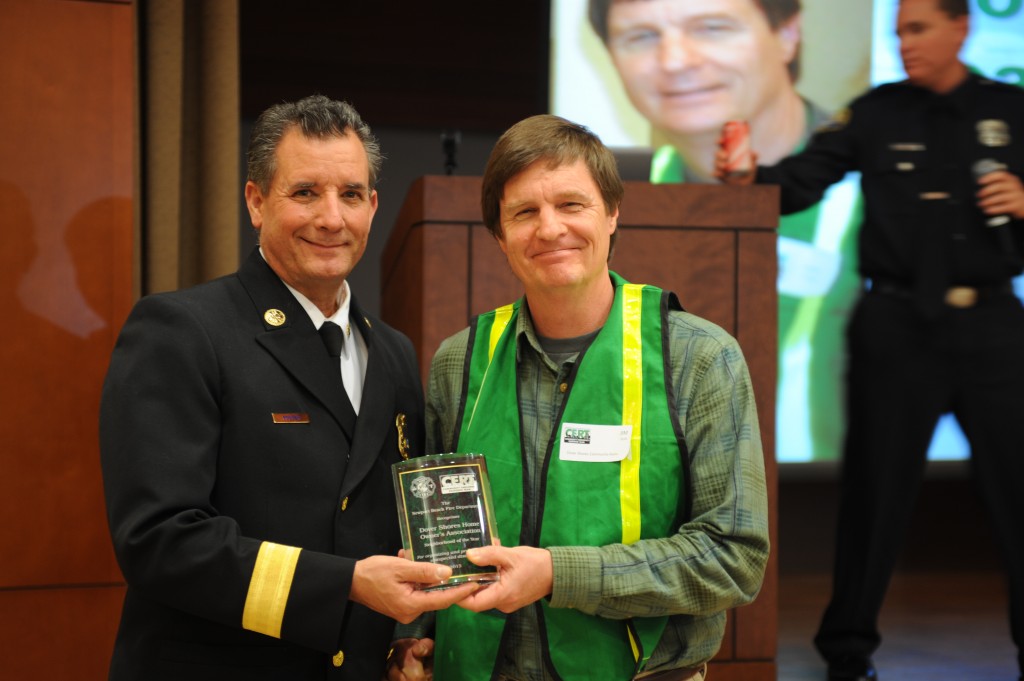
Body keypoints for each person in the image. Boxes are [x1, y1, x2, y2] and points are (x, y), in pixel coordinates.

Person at [99, 95, 478, 681]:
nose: (332, 218)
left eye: (350, 195)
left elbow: (390, 528)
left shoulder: (396, 354)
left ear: (373, 207)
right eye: (305, 193)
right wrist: (347, 586)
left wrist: (403, 638)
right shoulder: (183, 330)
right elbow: (159, 542)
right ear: (256, 201)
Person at [388, 114, 770, 681]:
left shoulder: (699, 357)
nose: (549, 229)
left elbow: (734, 558)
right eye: (524, 212)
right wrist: (414, 635)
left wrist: (556, 574)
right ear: (499, 234)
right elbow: (432, 531)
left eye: (572, 204)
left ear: (612, 213)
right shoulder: (458, 361)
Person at [715, 1, 1024, 679]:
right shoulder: (877, 111)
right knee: (873, 494)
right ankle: (848, 652)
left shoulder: (1012, 107)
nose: (905, 44)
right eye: (898, 32)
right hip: (896, 327)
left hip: (994, 326)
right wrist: (747, 177)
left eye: (919, 29)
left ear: (962, 27)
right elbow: (800, 179)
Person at [589, 0, 863, 462]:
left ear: (787, 34)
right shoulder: (618, 200)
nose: (674, 62)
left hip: (822, 498)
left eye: (712, 28)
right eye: (641, 37)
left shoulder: (870, 188)